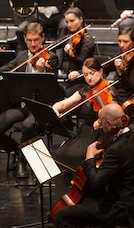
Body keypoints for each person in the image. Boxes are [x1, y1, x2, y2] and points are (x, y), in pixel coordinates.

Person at [54, 103, 133, 228]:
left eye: (100, 121)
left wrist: (89, 158)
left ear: (107, 123)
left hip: (124, 208)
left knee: (62, 216)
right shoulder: (129, 138)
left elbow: (96, 183)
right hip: (127, 199)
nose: (99, 125)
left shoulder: (116, 149)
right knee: (99, 201)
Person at [0, 22, 60, 178]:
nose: (33, 44)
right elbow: (4, 68)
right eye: (29, 40)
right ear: (24, 39)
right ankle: (17, 150)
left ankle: (23, 162)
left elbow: (53, 75)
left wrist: (42, 69)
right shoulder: (22, 56)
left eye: (36, 40)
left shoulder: (51, 57)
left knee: (28, 125)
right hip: (22, 106)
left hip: (40, 107)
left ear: (42, 37)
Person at [50, 57, 116, 198]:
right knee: (60, 154)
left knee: (78, 156)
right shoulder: (85, 91)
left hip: (101, 135)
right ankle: (65, 197)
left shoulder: (109, 90)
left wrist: (102, 120)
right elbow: (63, 104)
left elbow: (114, 115)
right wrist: (55, 109)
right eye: (85, 75)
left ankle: (84, 193)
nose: (89, 78)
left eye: (92, 73)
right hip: (84, 132)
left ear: (101, 71)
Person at [60, 7, 95, 96]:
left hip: (83, 79)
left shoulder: (88, 40)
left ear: (81, 19)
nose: (69, 25)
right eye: (67, 22)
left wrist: (71, 54)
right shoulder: (70, 37)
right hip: (71, 79)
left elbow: (81, 60)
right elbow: (55, 44)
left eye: (72, 21)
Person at [113, 26, 134, 104]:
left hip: (129, 98)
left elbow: (131, 86)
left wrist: (121, 73)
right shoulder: (123, 54)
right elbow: (102, 66)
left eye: (125, 41)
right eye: (119, 41)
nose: (121, 45)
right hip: (119, 94)